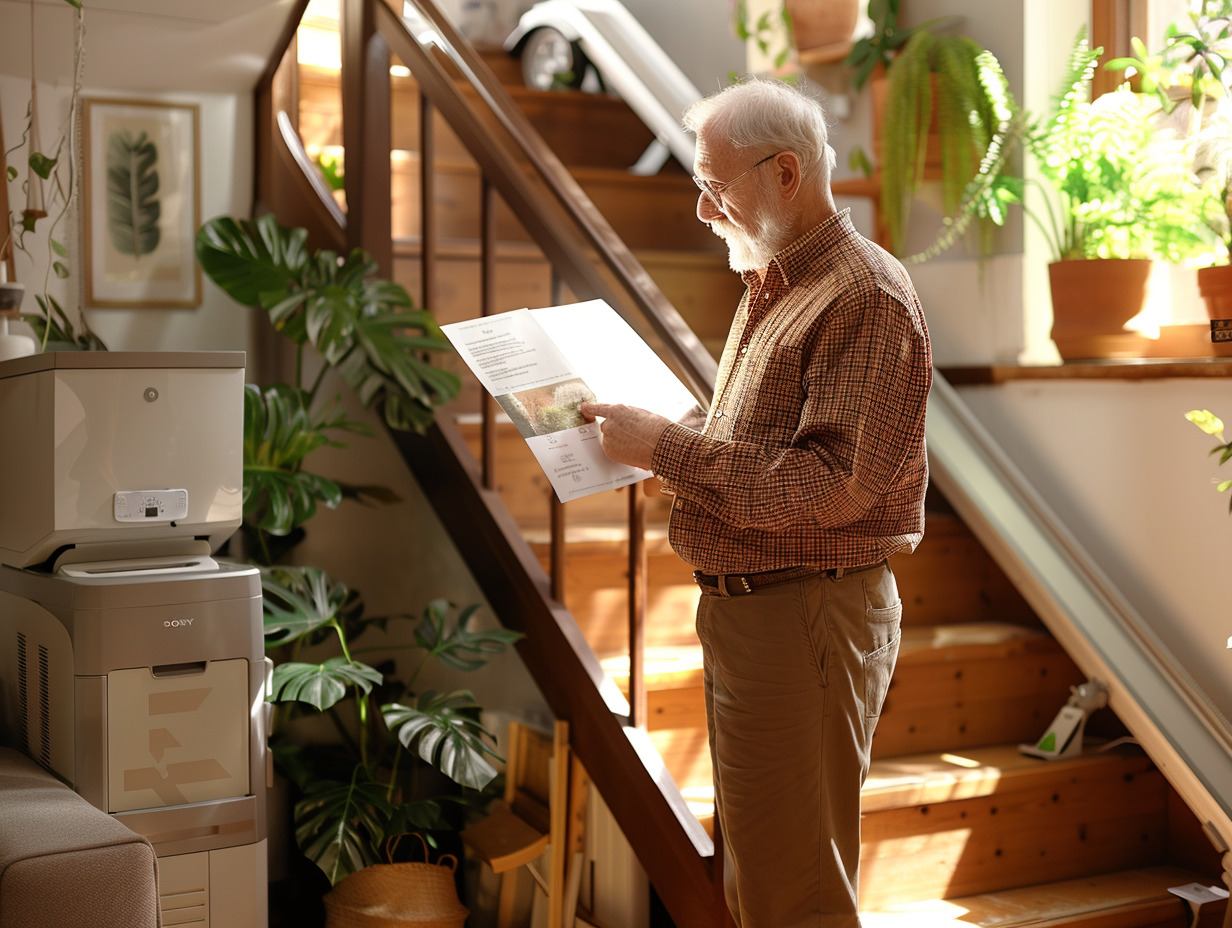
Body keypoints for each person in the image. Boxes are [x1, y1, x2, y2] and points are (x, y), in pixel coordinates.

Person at [580, 78, 932, 927]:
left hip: (804, 618)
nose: (704, 211)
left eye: (714, 184)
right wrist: (664, 434)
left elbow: (826, 487)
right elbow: (754, 441)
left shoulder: (862, 296)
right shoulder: (778, 282)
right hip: (763, 618)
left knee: (796, 900)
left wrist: (663, 446)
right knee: (765, 885)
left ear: (785, 173)